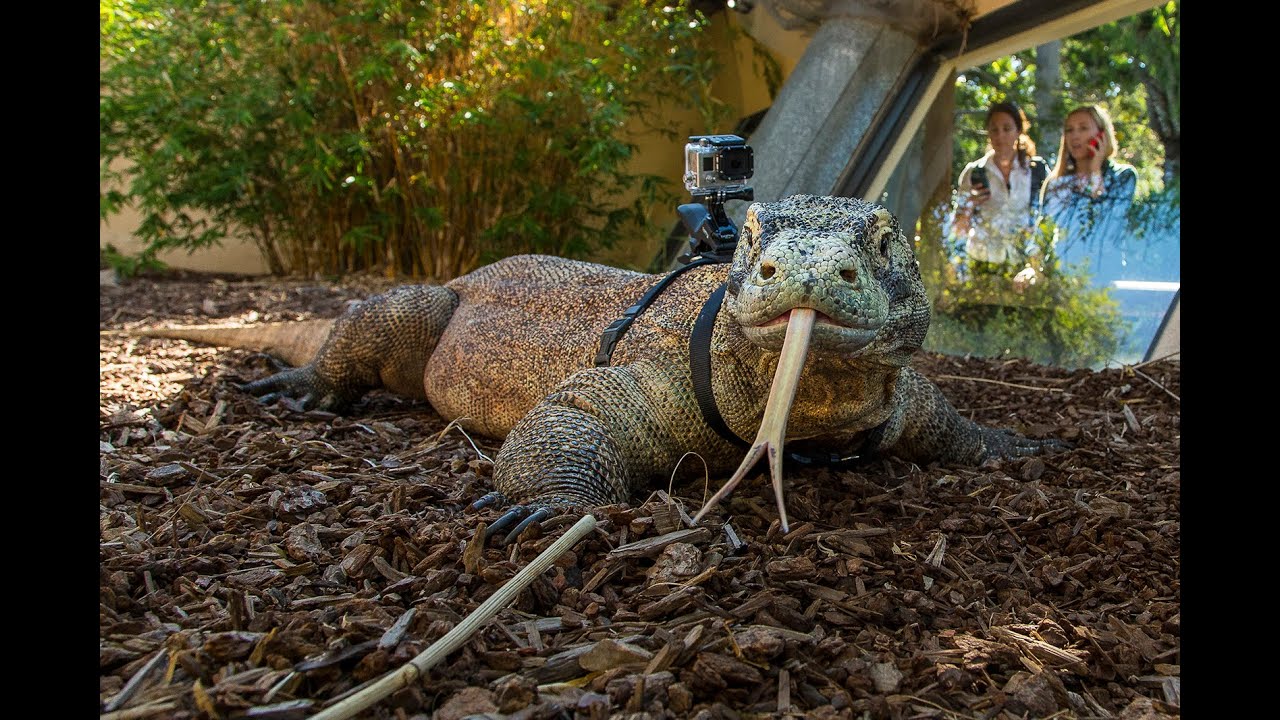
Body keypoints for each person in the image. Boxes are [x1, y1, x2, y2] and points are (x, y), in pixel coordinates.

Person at [1031, 103, 1138, 282]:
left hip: (1102, 282)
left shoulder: (1123, 177)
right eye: (1070, 130)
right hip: (1059, 281)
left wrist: (1095, 172)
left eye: (1083, 128)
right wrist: (1033, 268)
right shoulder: (1056, 183)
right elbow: (1042, 233)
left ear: (1102, 134)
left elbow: (1106, 223)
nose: (1075, 136)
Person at [952, 101, 1049, 277]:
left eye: (1007, 128)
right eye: (994, 129)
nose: (1000, 136)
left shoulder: (1036, 171)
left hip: (1023, 263)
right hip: (981, 263)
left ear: (1018, 131)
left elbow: (1049, 219)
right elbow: (957, 230)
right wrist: (970, 204)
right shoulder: (974, 172)